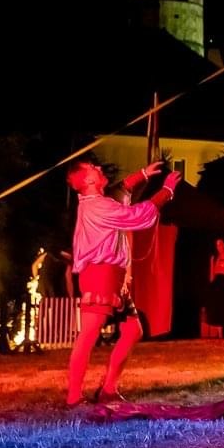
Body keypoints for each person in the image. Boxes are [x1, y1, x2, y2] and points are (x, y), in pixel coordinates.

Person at [65, 158, 180, 406]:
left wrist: (142, 174)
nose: (98, 168)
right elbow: (136, 216)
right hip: (100, 274)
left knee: (132, 330)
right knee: (89, 333)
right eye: (93, 169)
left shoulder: (101, 201)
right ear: (88, 180)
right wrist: (166, 191)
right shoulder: (97, 206)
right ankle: (74, 396)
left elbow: (121, 191)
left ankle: (108, 388)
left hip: (113, 275)